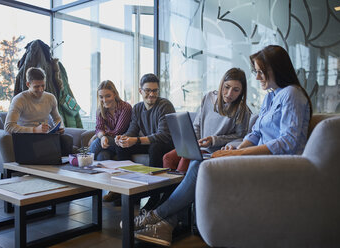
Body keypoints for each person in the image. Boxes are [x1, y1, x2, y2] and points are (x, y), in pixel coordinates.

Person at [131, 45, 312, 247]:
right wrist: (237, 149)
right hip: (258, 158)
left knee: (200, 165)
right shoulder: (272, 95)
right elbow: (256, 133)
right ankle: (166, 224)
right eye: (257, 72)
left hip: (276, 164)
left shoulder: (292, 94)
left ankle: (155, 216)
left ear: (276, 69)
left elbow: (288, 142)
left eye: (261, 71)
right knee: (199, 162)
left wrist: (240, 152)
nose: (258, 77)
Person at [163, 68, 251, 172]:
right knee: (168, 158)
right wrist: (193, 143)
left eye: (236, 90)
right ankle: (169, 188)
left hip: (214, 151)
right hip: (197, 147)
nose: (229, 93)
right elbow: (197, 124)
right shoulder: (208, 97)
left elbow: (240, 137)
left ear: (241, 92)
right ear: (222, 84)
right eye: (227, 87)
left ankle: (181, 188)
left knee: (185, 160)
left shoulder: (242, 110)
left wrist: (213, 140)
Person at [115, 73, 176, 210]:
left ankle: (154, 196)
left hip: (167, 144)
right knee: (121, 147)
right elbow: (133, 130)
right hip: (151, 142)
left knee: (155, 147)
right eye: (148, 90)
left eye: (155, 90)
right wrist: (123, 138)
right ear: (140, 91)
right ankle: (130, 191)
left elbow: (163, 135)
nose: (151, 94)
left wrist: (135, 140)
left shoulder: (164, 105)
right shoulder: (137, 108)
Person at [5, 67, 73, 156]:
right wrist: (34, 130)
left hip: (45, 136)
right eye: (36, 86)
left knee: (67, 139)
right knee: (43, 146)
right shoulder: (19, 100)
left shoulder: (50, 98)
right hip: (26, 137)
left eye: (43, 85)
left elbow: (57, 118)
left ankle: (63, 168)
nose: (41, 89)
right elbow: (8, 127)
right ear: (28, 84)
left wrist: (60, 126)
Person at [88, 80, 132, 203]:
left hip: (122, 142)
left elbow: (119, 130)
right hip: (109, 144)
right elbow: (99, 128)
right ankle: (113, 189)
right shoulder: (100, 110)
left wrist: (99, 136)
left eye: (108, 96)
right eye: (101, 97)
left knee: (96, 144)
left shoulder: (125, 107)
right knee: (103, 155)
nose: (104, 100)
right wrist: (101, 136)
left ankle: (85, 164)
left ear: (115, 94)